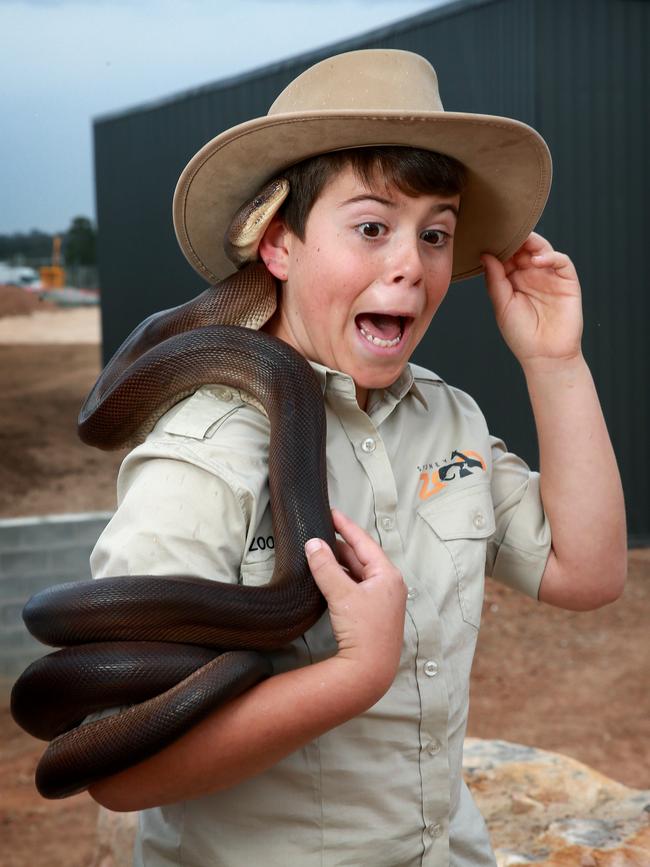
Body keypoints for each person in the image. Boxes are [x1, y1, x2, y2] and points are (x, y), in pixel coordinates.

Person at [87, 49, 627, 866]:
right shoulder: (202, 456)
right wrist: (353, 672)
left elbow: (586, 573)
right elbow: (117, 768)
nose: (411, 263)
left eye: (436, 232)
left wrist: (556, 363)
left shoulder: (445, 417)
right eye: (372, 227)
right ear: (278, 246)